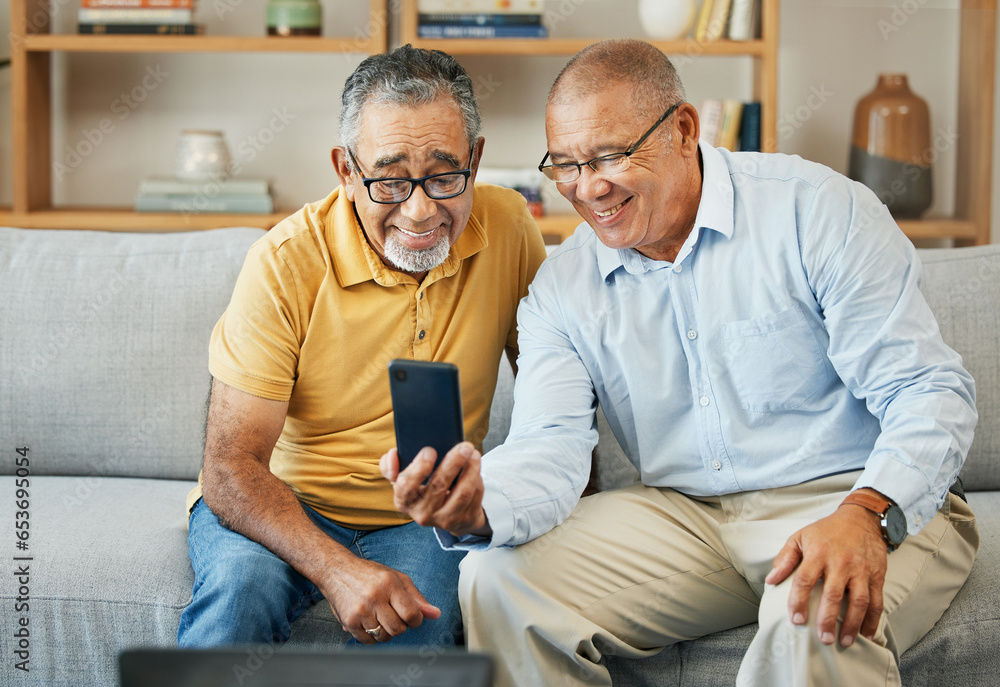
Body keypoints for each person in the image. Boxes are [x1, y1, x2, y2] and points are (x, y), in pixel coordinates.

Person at [381, 39, 979, 686]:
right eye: (567, 165)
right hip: (690, 516)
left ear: (684, 130)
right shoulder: (562, 288)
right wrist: (479, 504)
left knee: (815, 608)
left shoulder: (816, 211)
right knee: (496, 576)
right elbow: (548, 450)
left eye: (609, 155)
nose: (589, 188)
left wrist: (869, 510)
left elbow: (929, 390)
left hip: (854, 491)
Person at [177, 44, 547, 650]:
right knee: (240, 594)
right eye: (391, 179)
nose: (422, 209)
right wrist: (335, 568)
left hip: (419, 518)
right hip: (285, 504)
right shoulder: (284, 261)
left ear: (476, 160)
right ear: (346, 169)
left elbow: (552, 398)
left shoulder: (507, 227)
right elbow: (229, 468)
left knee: (422, 623)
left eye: (445, 173)